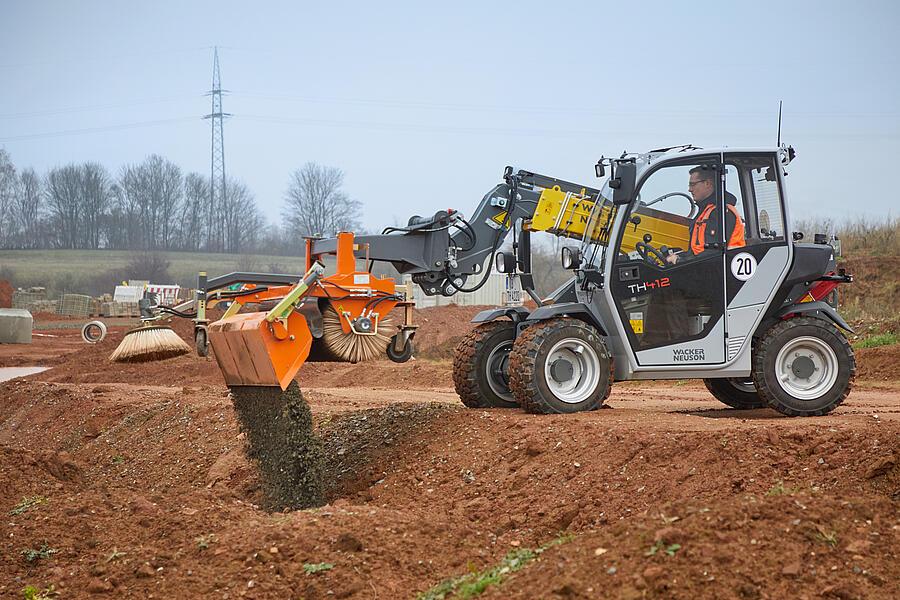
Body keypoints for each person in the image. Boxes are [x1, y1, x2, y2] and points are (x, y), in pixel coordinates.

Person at [666, 166, 745, 264]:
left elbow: (714, 253)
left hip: (720, 271)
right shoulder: (705, 211)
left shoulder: (721, 213)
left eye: (693, 184)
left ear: (707, 183)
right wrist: (679, 255)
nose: (689, 189)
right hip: (705, 269)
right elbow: (697, 251)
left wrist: (680, 261)